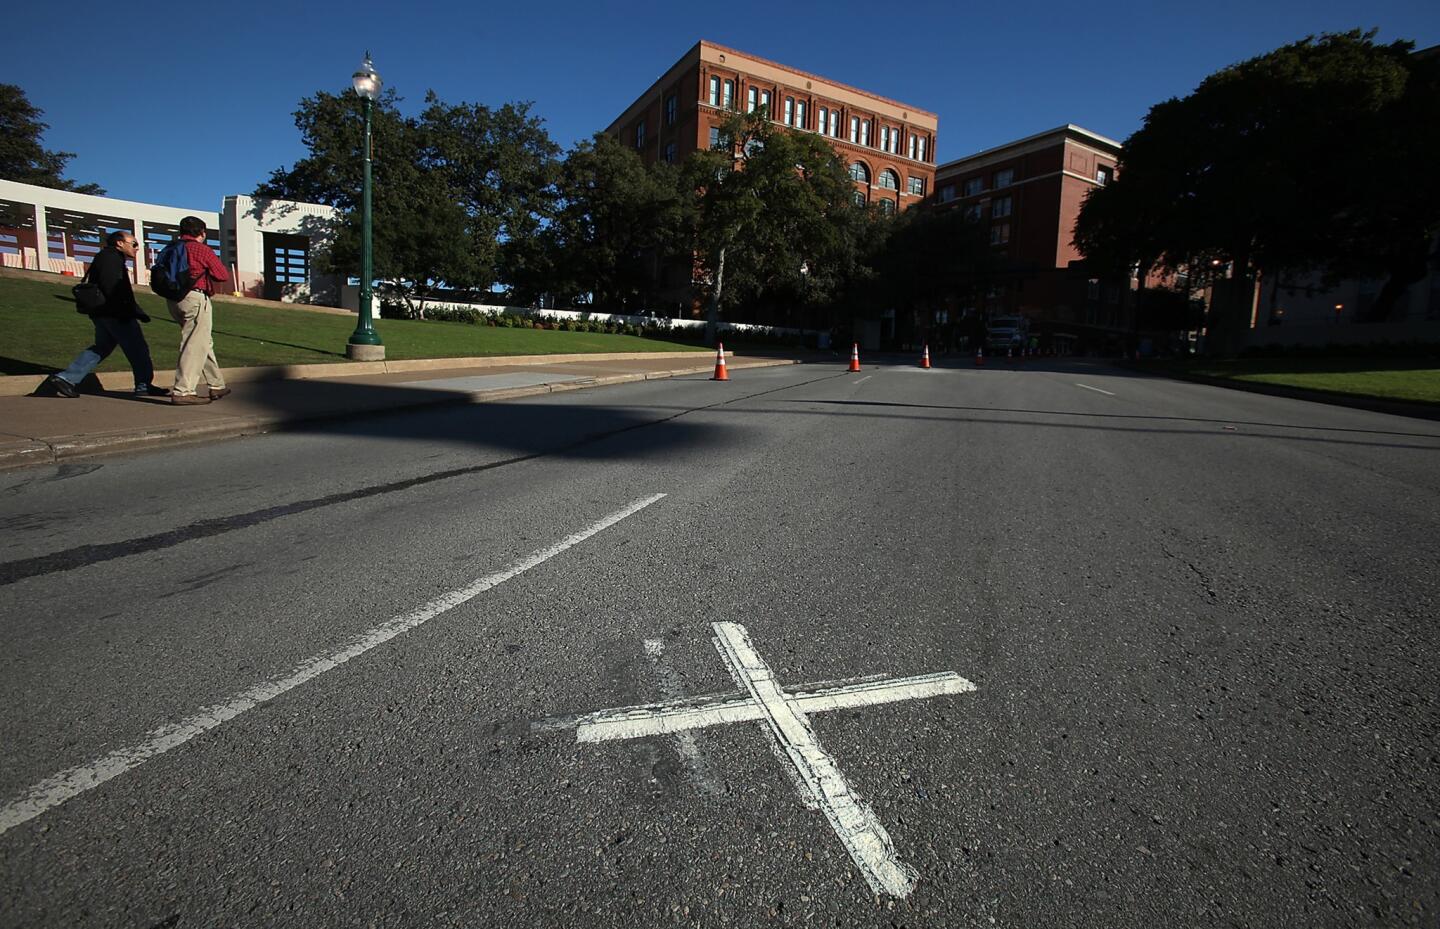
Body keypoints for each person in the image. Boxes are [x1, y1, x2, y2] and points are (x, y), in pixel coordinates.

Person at [42, 230, 163, 399]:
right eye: (134, 244)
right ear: (120, 243)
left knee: (101, 348)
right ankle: (143, 385)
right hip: (116, 313)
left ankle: (66, 379)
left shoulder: (107, 257)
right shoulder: (111, 259)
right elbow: (114, 289)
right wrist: (131, 311)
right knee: (138, 349)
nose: (137, 248)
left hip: (103, 313)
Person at [165, 216, 231, 405]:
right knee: (194, 344)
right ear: (202, 232)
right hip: (195, 296)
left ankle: (216, 384)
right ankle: (183, 391)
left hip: (173, 298)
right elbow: (221, 275)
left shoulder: (171, 248)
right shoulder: (200, 249)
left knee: (203, 341)